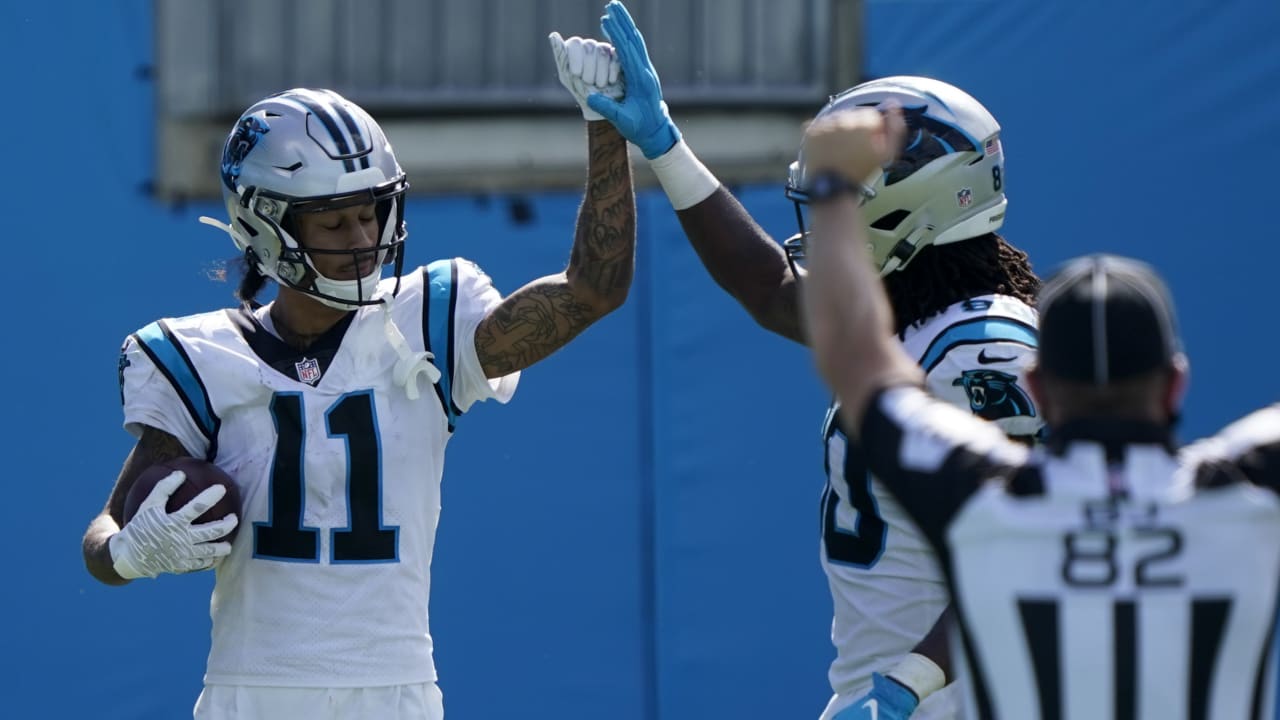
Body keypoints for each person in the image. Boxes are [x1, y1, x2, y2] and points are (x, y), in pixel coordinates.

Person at [81, 46, 633, 720]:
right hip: (253, 694)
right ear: (266, 224)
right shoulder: (197, 355)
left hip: (395, 692)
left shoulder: (430, 317)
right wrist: (129, 552)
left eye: (371, 212)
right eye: (334, 221)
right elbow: (105, 536)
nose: (364, 236)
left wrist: (606, 130)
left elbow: (593, 290)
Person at [562, 3, 1041, 717]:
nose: (822, 221)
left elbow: (1030, 549)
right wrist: (664, 147)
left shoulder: (983, 346)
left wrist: (909, 684)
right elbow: (767, 287)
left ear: (914, 206)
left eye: (842, 197)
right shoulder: (908, 321)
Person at [798, 105, 1280, 719]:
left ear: (1038, 388)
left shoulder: (992, 501)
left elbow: (859, 360)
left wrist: (836, 190)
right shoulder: (1245, 493)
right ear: (1175, 386)